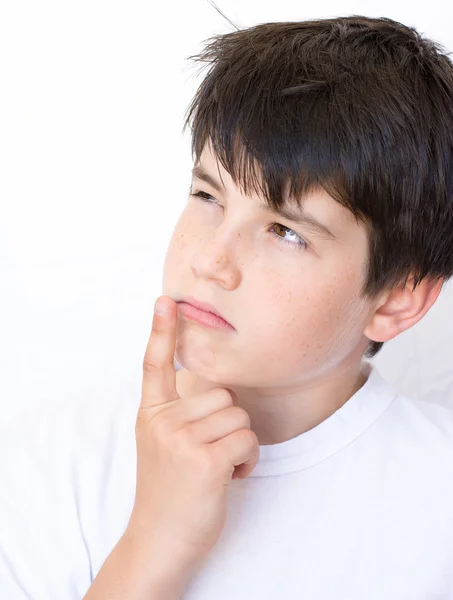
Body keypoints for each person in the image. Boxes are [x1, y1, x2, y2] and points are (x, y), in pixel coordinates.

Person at [1, 13, 453, 600]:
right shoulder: (51, 456)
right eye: (208, 195)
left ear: (396, 299)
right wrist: (156, 541)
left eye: (286, 232)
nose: (212, 260)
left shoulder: (436, 495)